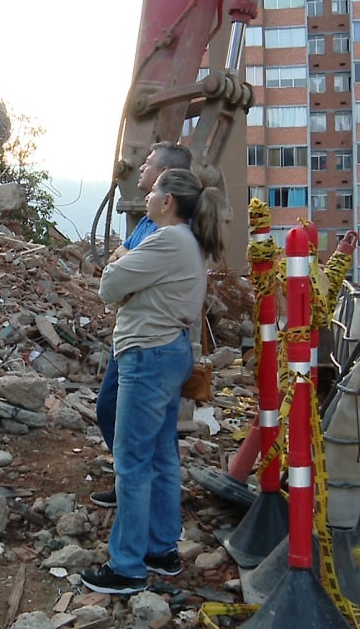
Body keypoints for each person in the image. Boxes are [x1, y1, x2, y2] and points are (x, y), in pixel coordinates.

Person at [81, 168, 226, 595]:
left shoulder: (165, 240)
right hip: (169, 352)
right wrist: (130, 282)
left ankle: (126, 567)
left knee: (132, 461)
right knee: (162, 455)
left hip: (147, 355)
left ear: (167, 201)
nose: (146, 196)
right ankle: (161, 549)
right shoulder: (187, 242)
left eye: (154, 188)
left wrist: (124, 270)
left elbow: (109, 285)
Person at [90, 141, 192, 508]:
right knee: (112, 411)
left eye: (148, 163)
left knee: (147, 436)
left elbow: (123, 278)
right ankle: (138, 493)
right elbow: (121, 263)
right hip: (133, 334)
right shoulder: (150, 221)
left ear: (165, 175)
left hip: (152, 343)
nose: (140, 168)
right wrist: (126, 266)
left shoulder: (174, 233)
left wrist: (126, 268)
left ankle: (136, 505)